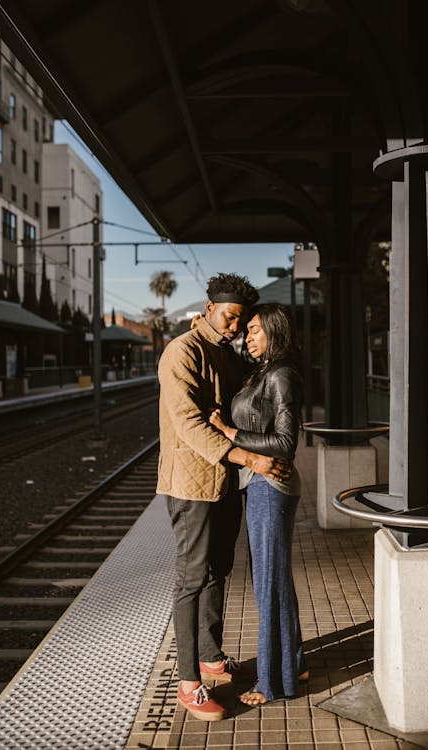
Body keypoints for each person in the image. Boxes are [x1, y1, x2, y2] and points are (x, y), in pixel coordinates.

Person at [157, 274, 291, 722]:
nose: (234, 326)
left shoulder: (225, 353)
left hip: (224, 483)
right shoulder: (182, 351)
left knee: (218, 571)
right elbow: (188, 422)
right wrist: (248, 458)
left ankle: (212, 657)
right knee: (192, 578)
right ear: (209, 306)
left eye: (240, 320)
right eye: (229, 316)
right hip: (191, 483)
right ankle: (189, 681)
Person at [209, 303, 307, 705]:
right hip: (261, 485)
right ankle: (292, 664)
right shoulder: (262, 371)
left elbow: (286, 443)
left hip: (270, 486)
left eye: (254, 330)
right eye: (245, 330)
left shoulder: (281, 374)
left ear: (274, 330)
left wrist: (229, 431)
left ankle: (271, 683)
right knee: (276, 579)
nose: (246, 337)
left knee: (267, 584)